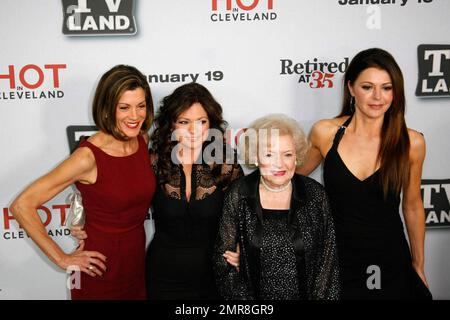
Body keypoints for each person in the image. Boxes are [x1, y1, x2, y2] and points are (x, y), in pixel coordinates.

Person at [10, 65, 156, 299]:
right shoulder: (87, 157)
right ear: (107, 108)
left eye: (141, 106)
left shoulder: (142, 139)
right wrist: (61, 258)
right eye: (124, 108)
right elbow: (21, 205)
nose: (135, 116)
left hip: (135, 263)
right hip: (97, 267)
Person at [298, 48, 432, 300]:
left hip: (389, 257)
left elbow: (413, 206)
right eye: (367, 87)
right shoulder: (325, 133)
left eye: (387, 88)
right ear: (351, 88)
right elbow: (291, 180)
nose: (377, 97)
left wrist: (419, 264)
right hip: (337, 258)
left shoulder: (411, 142)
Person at [214, 114, 340, 300]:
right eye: (269, 154)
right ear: (256, 157)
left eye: (287, 154)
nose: (279, 163)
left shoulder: (315, 194)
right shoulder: (239, 194)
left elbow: (328, 265)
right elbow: (224, 263)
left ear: (296, 156)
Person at [145, 82, 243, 300]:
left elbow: (244, 214)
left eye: (201, 121)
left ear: (211, 125)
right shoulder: (155, 162)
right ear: (171, 125)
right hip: (163, 277)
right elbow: (127, 202)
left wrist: (241, 248)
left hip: (215, 278)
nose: (193, 130)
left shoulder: (225, 162)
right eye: (184, 122)